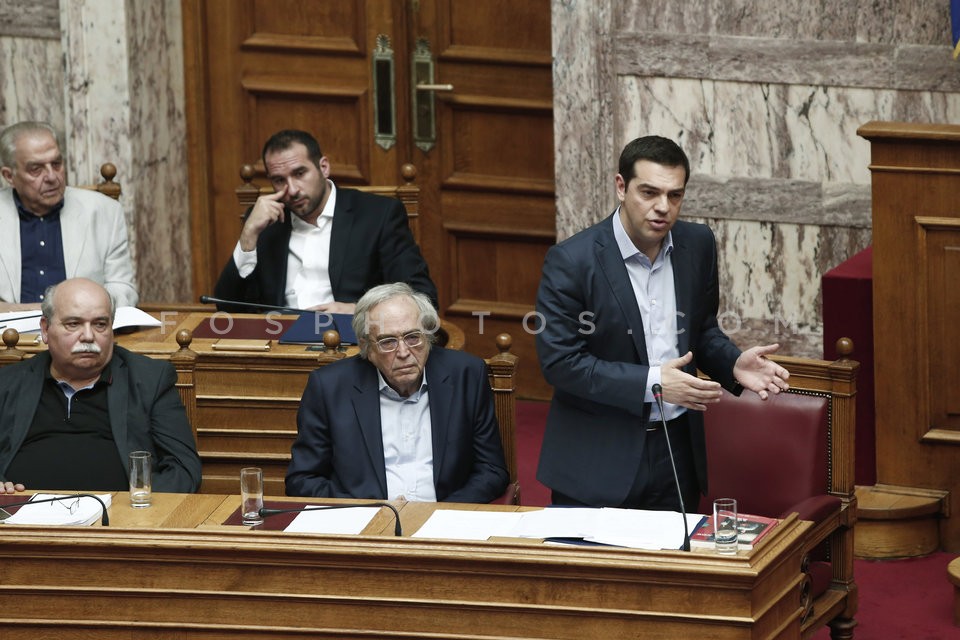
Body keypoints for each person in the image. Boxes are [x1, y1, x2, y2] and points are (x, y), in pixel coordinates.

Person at [534, 135, 790, 511]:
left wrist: (732, 362)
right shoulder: (572, 261)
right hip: (598, 460)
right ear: (621, 187)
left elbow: (701, 330)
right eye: (649, 192)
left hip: (677, 453)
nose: (662, 207)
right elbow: (561, 363)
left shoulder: (697, 244)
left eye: (674, 195)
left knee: (678, 550)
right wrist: (653, 383)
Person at [286, 282, 508, 503]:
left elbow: (491, 469)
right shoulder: (329, 388)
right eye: (388, 342)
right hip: (368, 520)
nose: (403, 352)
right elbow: (302, 480)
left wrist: (444, 512)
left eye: (413, 337)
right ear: (366, 346)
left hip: (446, 517)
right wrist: (371, 510)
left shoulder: (466, 375)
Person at [0, 278, 201, 494]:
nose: (88, 336)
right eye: (73, 324)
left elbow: (184, 470)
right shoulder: (9, 382)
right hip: (23, 512)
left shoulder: (149, 380)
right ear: (45, 329)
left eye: (100, 324)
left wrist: (139, 502)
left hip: (117, 513)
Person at [213, 129, 437, 314]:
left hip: (352, 342)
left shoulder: (379, 215)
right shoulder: (265, 222)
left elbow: (421, 297)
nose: (292, 190)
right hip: (280, 342)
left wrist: (359, 311)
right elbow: (227, 308)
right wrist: (248, 236)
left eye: (300, 173)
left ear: (323, 167)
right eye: (279, 180)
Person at [0, 121, 138, 307]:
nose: (52, 177)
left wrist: (81, 312)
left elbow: (123, 290)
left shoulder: (104, 211)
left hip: (83, 324)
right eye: (36, 169)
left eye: (56, 164)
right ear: (9, 176)